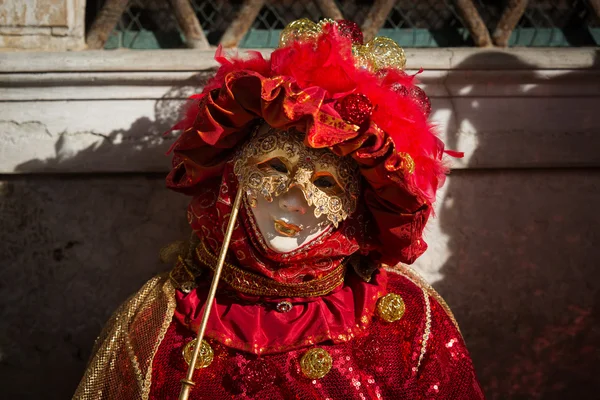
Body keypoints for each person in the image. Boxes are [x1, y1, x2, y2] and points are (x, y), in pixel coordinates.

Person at [74, 19, 484, 399]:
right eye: (273, 168)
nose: (294, 201)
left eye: (325, 183)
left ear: (356, 206)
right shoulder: (158, 319)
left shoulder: (407, 320)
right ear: (232, 179)